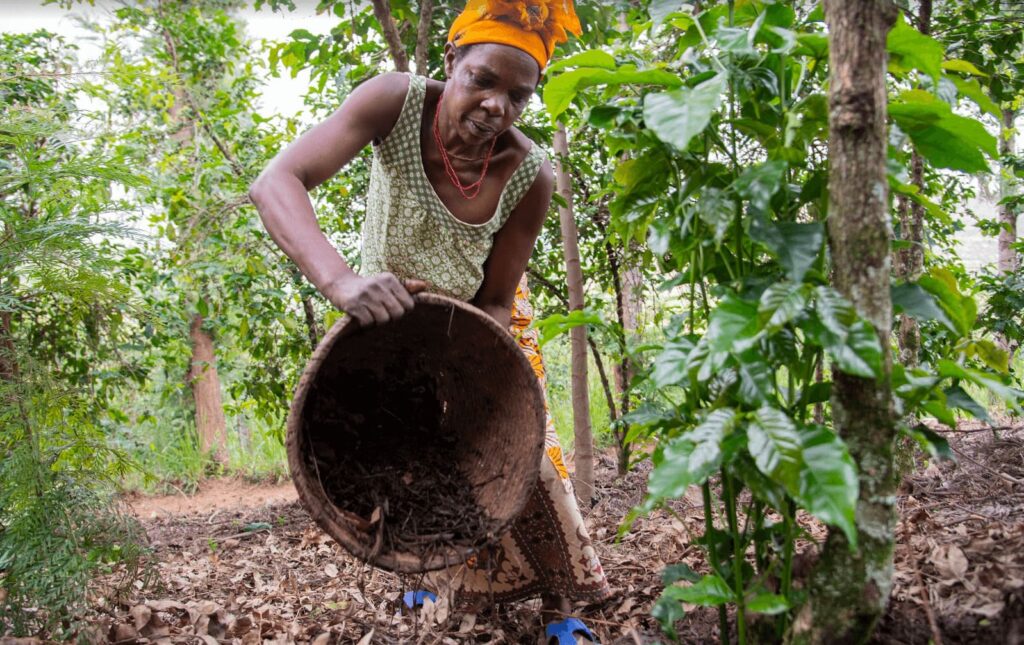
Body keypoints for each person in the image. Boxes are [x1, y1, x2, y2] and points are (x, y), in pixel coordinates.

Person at [249, 0, 611, 641]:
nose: (497, 105)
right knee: (403, 451)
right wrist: (341, 282)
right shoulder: (395, 101)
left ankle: (564, 606)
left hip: (481, 325)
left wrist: (464, 361)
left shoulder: (530, 175)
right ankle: (429, 581)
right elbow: (277, 181)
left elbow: (499, 295)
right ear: (452, 62)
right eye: (483, 80)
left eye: (518, 96)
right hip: (384, 315)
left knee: (523, 457)